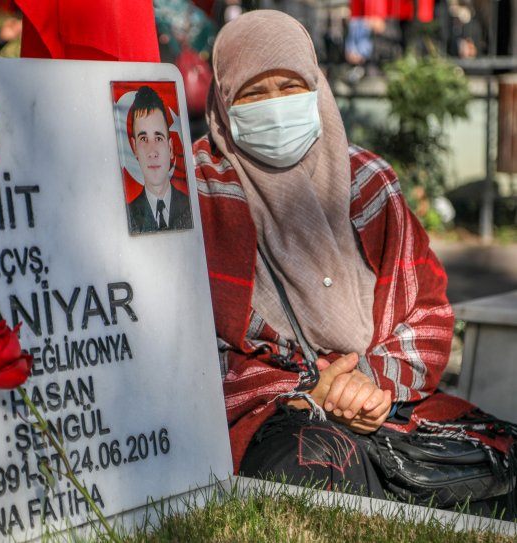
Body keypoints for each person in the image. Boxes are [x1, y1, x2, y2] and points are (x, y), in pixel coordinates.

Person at [193, 10, 515, 513]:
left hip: (379, 396)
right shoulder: (197, 193)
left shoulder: (368, 181)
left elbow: (427, 312)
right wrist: (308, 388)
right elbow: (183, 346)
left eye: (291, 85)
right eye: (253, 94)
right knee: (318, 468)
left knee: (501, 457)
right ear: (223, 104)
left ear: (317, 87)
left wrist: (366, 384)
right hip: (271, 408)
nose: (275, 105)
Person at [128, 85, 193, 234]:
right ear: (134, 148)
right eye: (144, 139)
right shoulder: (128, 214)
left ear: (170, 148)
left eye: (158, 137)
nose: (152, 152)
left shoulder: (191, 207)